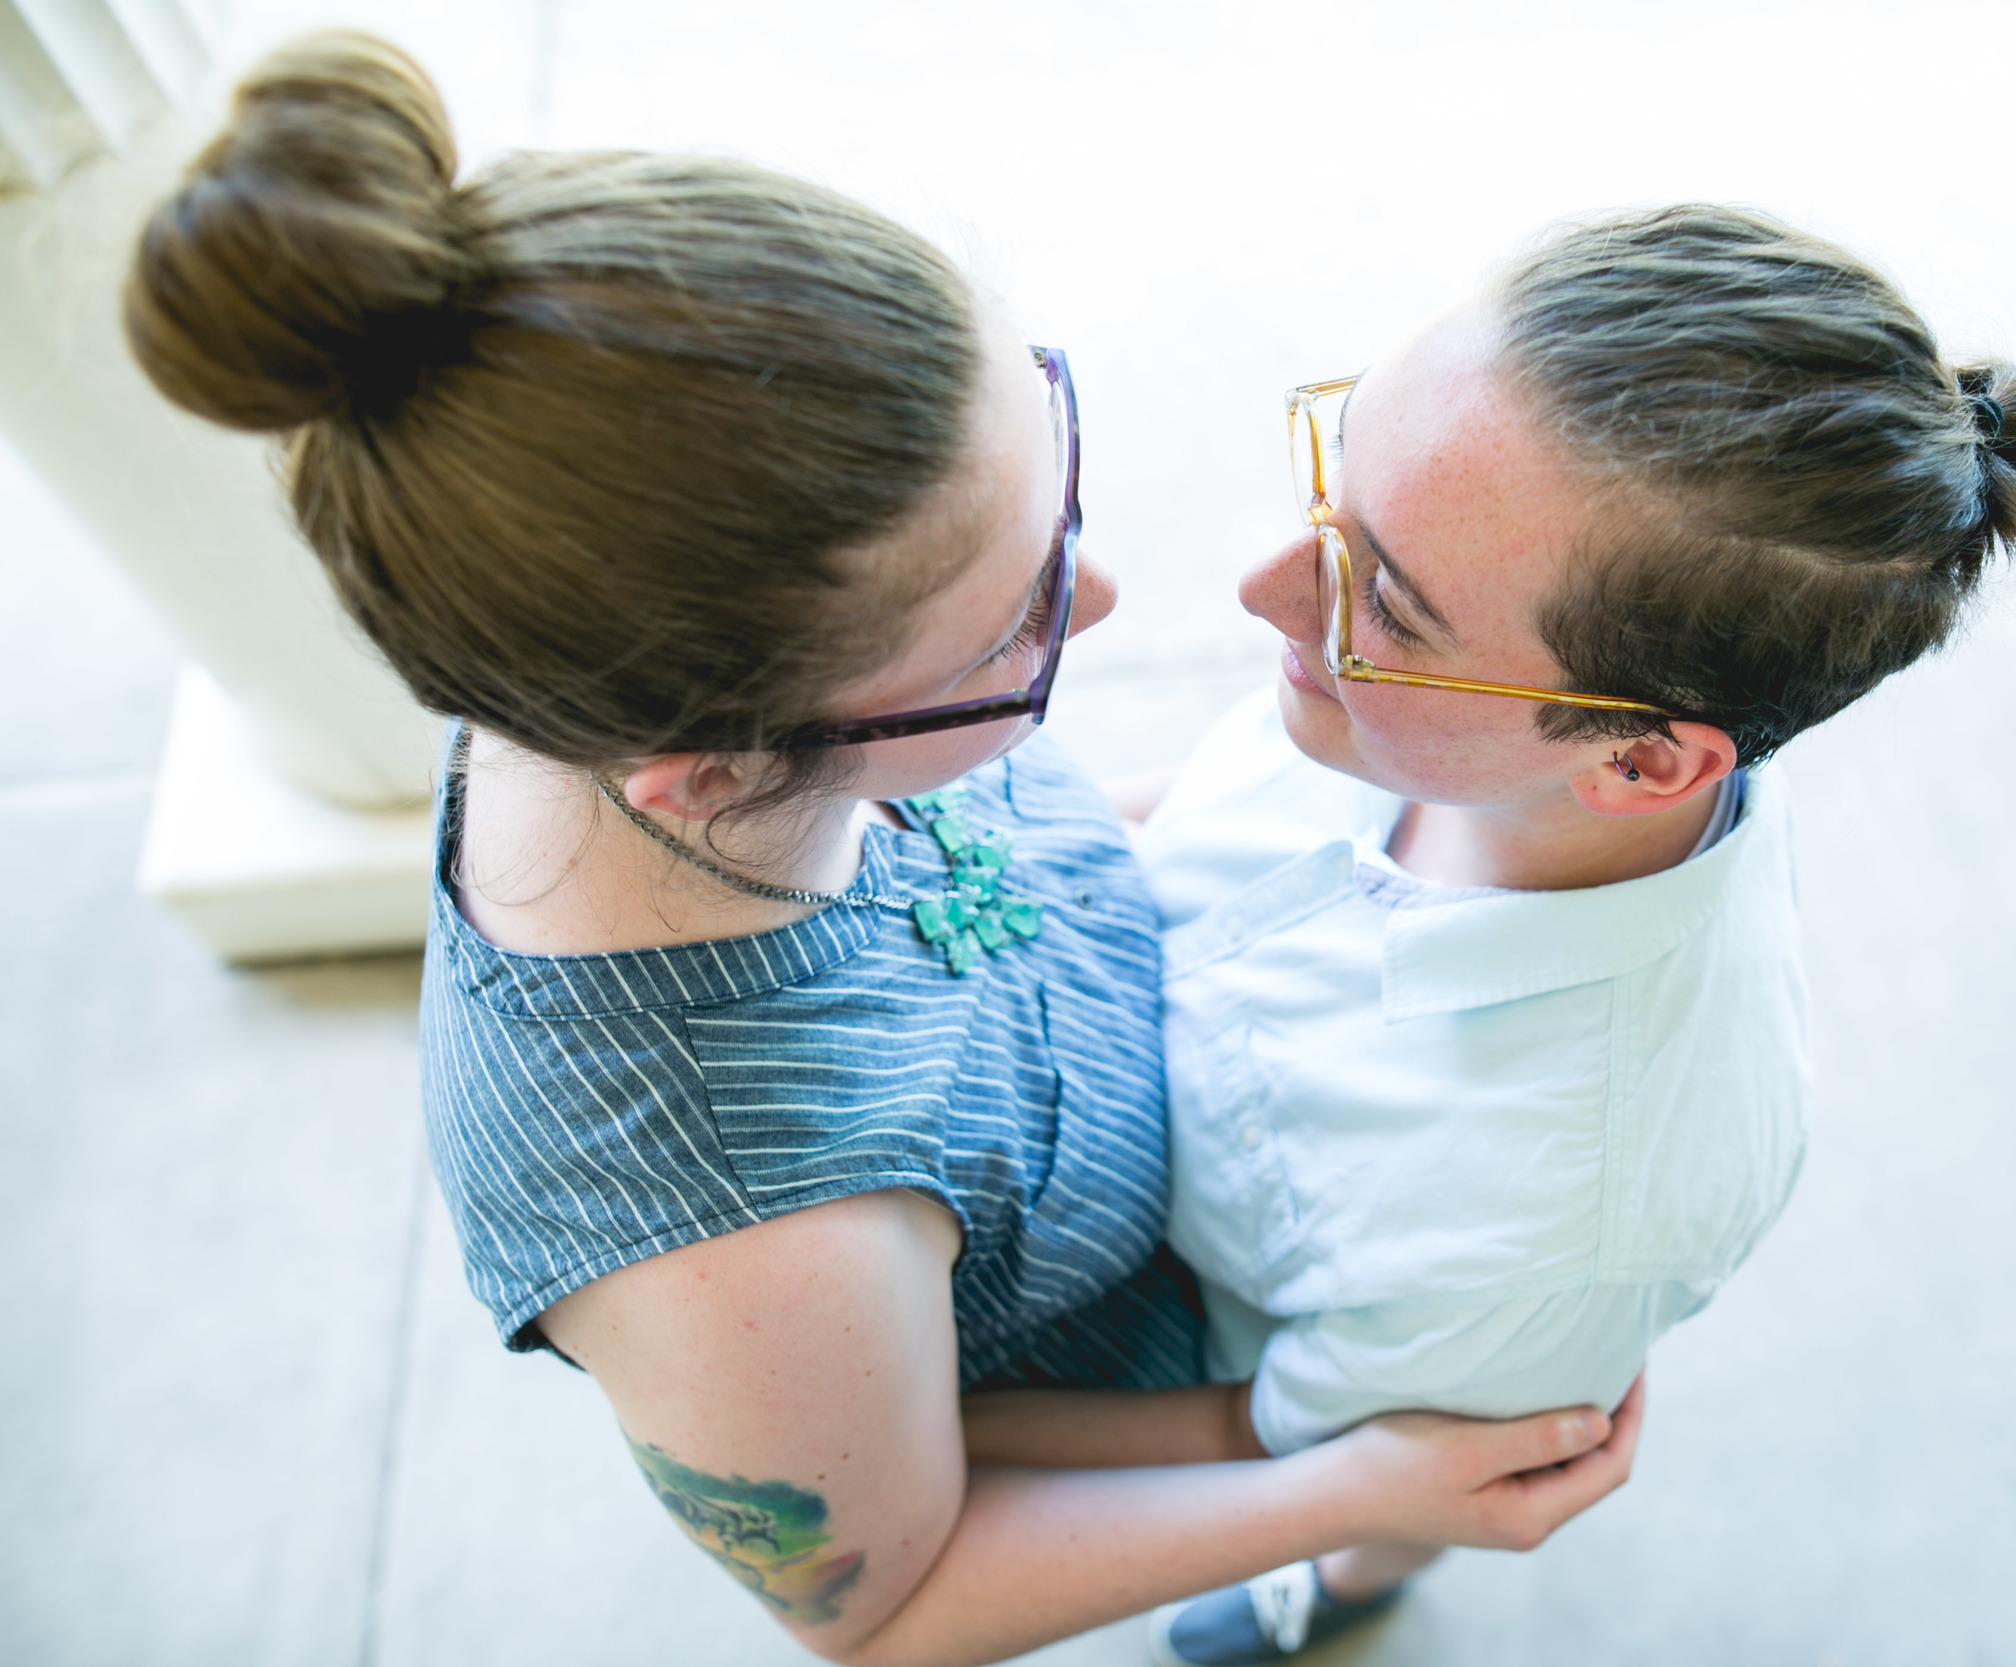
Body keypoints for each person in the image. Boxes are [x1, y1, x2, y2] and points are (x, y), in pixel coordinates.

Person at [121, 34, 1643, 1667]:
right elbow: (894, 1600)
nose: (1105, 595)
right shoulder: (725, 1234)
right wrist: (1365, 1482)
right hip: (1165, 1393)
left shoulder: (617, 646)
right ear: (707, 773)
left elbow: (988, 865)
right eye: (1022, 623)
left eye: (1049, 499)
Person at [1115, 206, 2016, 1663]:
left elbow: (1339, 1445)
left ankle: (1339, 1597)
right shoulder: (1408, 720)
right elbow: (1194, 816)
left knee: (1373, 1513)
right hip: (1160, 1124)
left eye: (1384, 599)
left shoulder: (1555, 1214)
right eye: (1340, 473)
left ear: (1638, 764)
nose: (1268, 583)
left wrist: (898, 1435)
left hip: (1277, 1361)